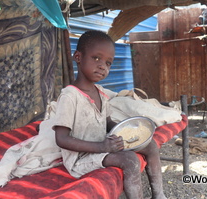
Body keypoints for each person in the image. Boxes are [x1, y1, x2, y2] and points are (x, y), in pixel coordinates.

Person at [53, 30, 167, 199]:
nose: (102, 66)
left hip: (102, 145)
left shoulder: (100, 92)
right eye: (96, 58)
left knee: (151, 146)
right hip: (81, 158)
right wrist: (102, 147)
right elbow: (61, 139)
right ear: (78, 57)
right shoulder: (70, 96)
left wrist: (129, 131)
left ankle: (159, 195)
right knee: (130, 160)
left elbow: (106, 122)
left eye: (108, 63)